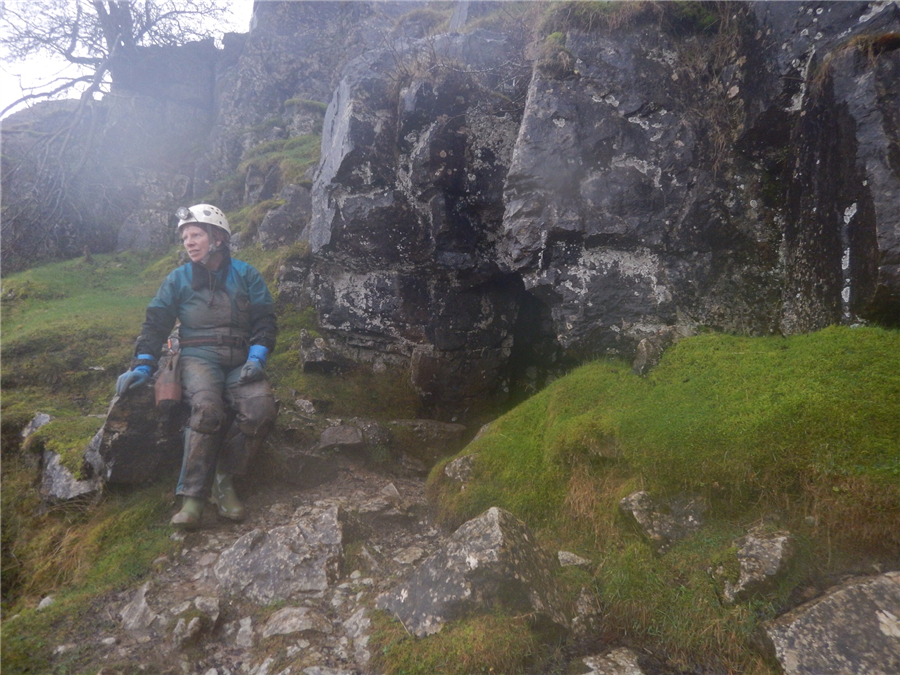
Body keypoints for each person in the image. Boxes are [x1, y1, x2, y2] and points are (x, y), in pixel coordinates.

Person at [116, 204, 278, 529]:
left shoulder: (246, 274)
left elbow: (265, 320)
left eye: (196, 235)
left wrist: (257, 358)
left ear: (218, 238)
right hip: (197, 358)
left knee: (261, 409)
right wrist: (143, 365)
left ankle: (223, 479)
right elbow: (155, 324)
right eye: (185, 237)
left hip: (241, 360)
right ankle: (192, 498)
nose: (189, 243)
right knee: (206, 409)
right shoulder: (178, 279)